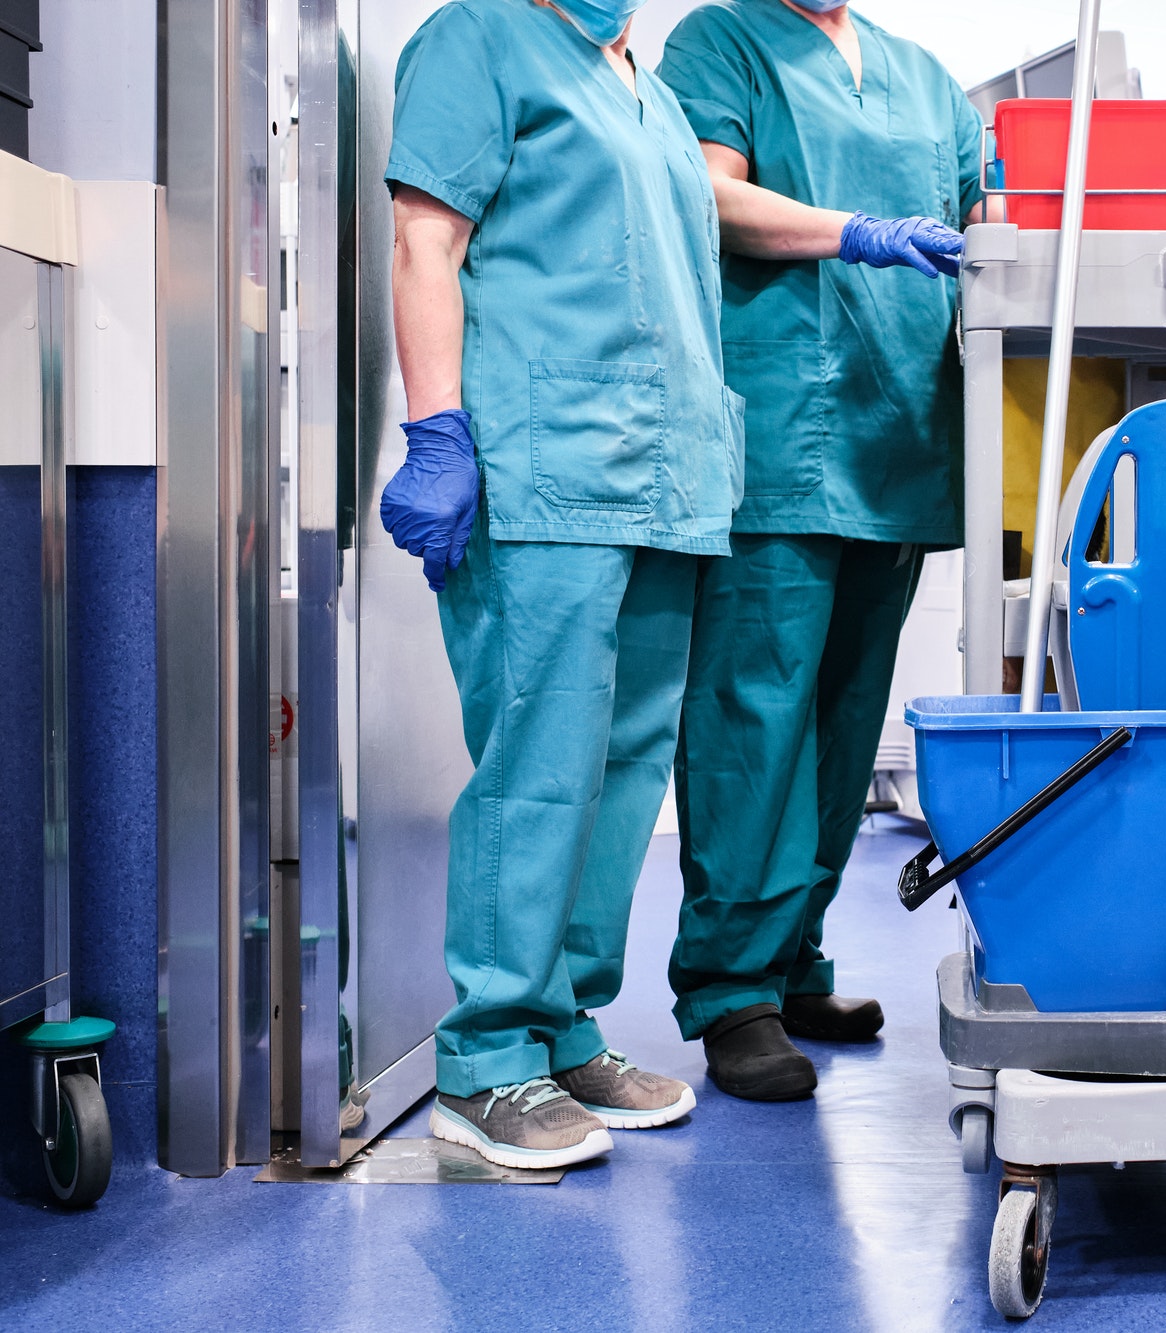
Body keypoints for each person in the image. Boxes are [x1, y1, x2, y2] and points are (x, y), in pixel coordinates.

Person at [381, 0, 744, 1166]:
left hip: (661, 472)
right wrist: (437, 430)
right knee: (537, 765)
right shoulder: (475, 38)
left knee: (625, 768)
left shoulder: (647, 83)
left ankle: (559, 1021)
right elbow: (423, 241)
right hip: (544, 462)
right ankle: (486, 1058)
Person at [656, 0, 987, 1100]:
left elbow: (988, 217)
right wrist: (854, 230)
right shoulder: (721, 42)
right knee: (755, 714)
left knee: (848, 725)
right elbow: (705, 194)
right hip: (783, 430)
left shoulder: (925, 78)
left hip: (896, 434)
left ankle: (794, 962)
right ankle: (729, 991)